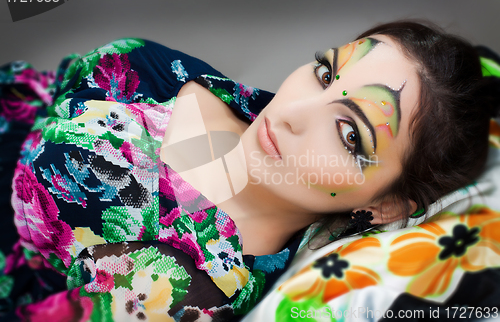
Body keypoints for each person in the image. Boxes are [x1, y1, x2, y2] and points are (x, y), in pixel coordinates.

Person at [0, 20, 498, 321]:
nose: (290, 111)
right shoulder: (228, 98)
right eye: (327, 74)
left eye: (350, 134)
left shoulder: (183, 291)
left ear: (385, 204)